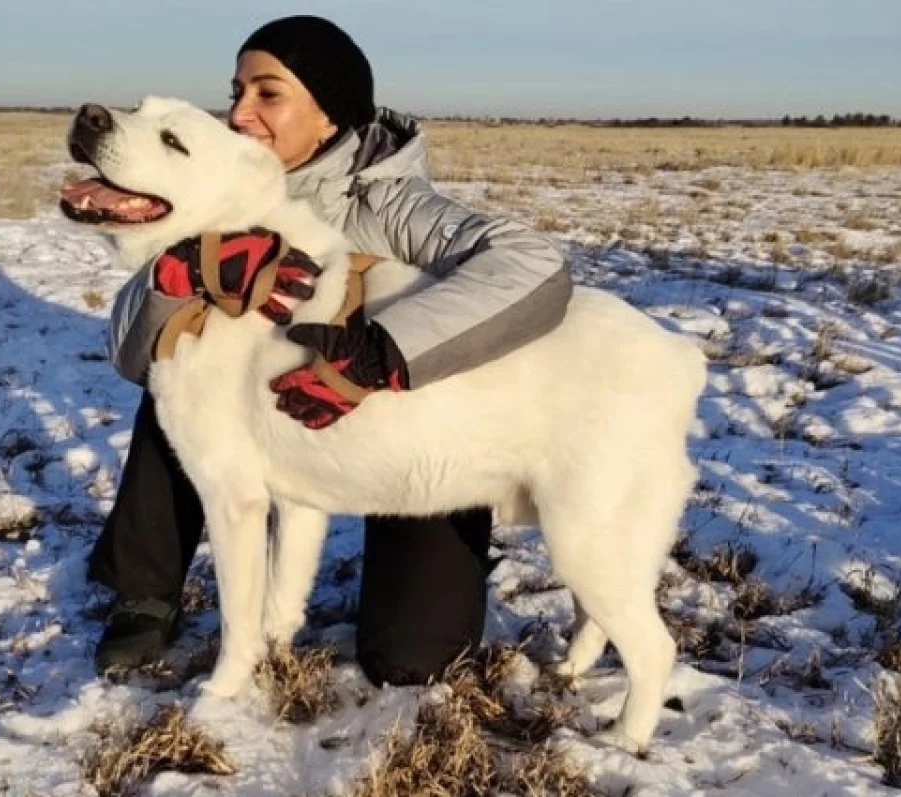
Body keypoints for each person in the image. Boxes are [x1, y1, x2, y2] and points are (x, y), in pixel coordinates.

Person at [87, 15, 572, 685]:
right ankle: (145, 588)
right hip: (268, 412)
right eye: (236, 91)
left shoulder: (394, 205)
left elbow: (535, 264)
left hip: (413, 428)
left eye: (268, 93)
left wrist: (385, 348)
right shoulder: (215, 181)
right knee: (178, 371)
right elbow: (129, 350)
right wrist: (180, 284)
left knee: (413, 656)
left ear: (329, 116)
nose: (238, 113)